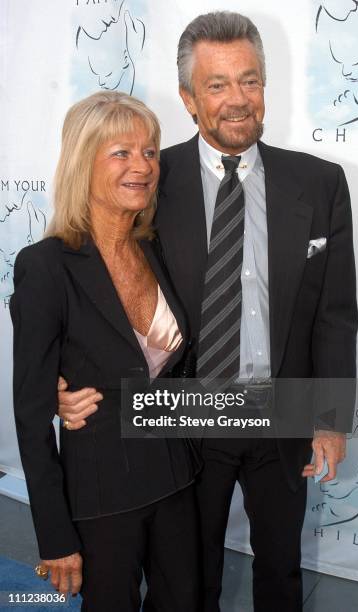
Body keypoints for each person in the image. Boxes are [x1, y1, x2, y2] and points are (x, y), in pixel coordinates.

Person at [58, 11, 358, 612]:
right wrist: (67, 383)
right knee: (189, 585)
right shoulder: (147, 178)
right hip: (185, 420)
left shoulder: (320, 182)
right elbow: (97, 285)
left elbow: (335, 312)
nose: (238, 100)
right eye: (217, 85)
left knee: (281, 576)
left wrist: (328, 417)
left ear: (266, 88)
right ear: (189, 98)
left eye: (250, 80)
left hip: (282, 416)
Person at [10, 91, 201, 612]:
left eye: (150, 151)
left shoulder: (153, 247)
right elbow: (30, 416)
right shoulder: (45, 267)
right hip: (101, 495)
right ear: (82, 162)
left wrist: (317, 412)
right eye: (121, 152)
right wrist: (55, 538)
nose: (142, 166)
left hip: (176, 477)